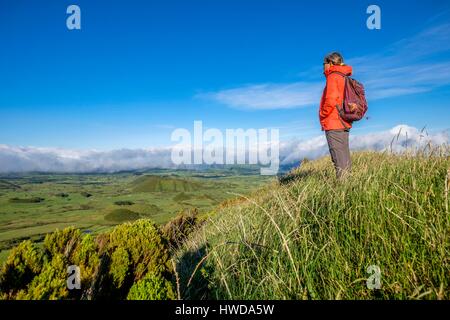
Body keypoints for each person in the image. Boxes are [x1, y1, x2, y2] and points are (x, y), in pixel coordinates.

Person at [319, 52, 352, 179]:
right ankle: (349, 185)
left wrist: (323, 114)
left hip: (334, 122)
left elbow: (331, 99)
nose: (323, 66)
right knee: (344, 156)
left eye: (324, 63)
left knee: (338, 158)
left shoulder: (333, 76)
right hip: (343, 121)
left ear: (331, 63)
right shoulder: (343, 76)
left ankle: (342, 191)